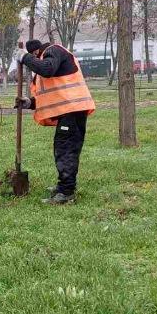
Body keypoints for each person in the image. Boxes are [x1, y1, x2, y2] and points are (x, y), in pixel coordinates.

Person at [15, 39, 95, 204]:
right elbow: (51, 93)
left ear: (36, 52)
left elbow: (47, 69)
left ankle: (66, 193)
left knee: (65, 150)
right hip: (71, 111)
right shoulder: (51, 57)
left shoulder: (53, 51)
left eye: (34, 58)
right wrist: (30, 102)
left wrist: (24, 58)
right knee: (65, 149)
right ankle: (64, 187)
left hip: (72, 110)